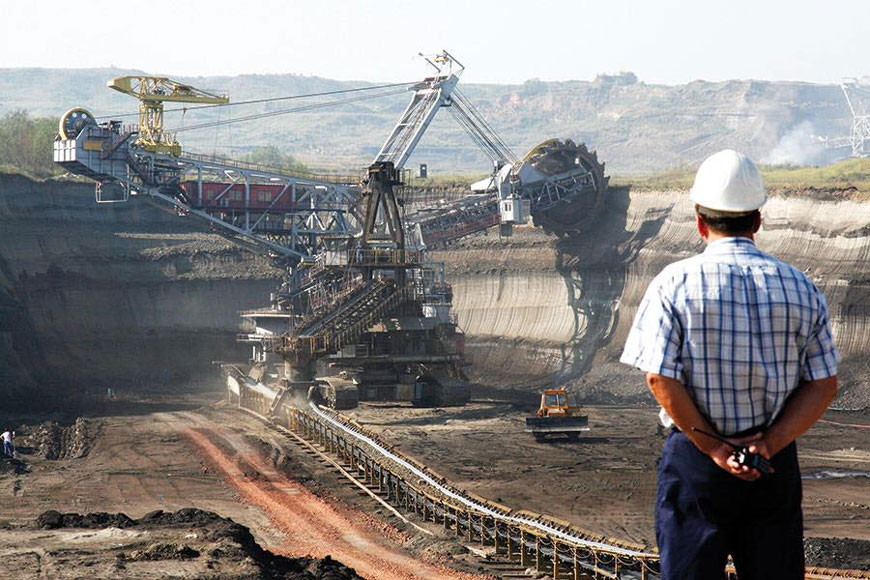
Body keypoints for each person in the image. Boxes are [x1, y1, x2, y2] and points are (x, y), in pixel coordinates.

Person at [620, 149, 840, 579]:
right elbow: (823, 384)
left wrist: (716, 450)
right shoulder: (801, 287)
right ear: (757, 221)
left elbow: (660, 378)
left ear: (700, 223)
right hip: (771, 465)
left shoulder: (673, 285)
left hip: (697, 463)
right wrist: (769, 444)